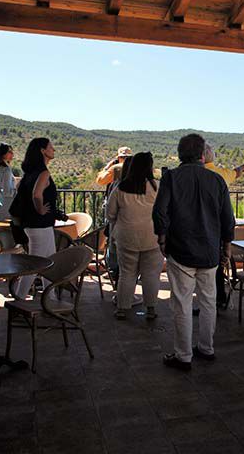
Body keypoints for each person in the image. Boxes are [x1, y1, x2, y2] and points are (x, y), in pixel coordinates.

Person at [153, 134, 235, 371]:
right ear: (202, 155)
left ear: (180, 154)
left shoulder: (172, 178)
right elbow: (227, 218)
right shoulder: (217, 181)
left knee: (182, 303)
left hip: (180, 250)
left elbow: (160, 211)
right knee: (209, 301)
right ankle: (206, 348)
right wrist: (226, 247)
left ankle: (183, 355)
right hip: (210, 251)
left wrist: (162, 238)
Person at [107, 152, 163, 320]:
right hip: (152, 237)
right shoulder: (157, 187)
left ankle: (122, 308)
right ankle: (151, 309)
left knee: (127, 273)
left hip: (126, 238)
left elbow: (110, 214)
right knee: (151, 274)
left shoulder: (120, 187)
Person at [11, 138, 64, 300]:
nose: (53, 149)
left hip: (33, 224)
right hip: (40, 224)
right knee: (35, 264)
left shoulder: (29, 173)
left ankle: (50, 297)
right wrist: (40, 209)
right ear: (43, 150)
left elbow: (20, 191)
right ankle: (19, 298)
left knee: (49, 261)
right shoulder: (43, 172)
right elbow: (36, 194)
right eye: (50, 147)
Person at [201, 142, 244, 311]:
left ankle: (208, 301)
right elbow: (236, 173)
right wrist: (242, 168)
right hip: (217, 228)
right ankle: (218, 299)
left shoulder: (193, 174)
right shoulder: (221, 174)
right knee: (217, 265)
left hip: (198, 227)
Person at [97, 146, 133, 287]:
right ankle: (122, 272)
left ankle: (114, 271)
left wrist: (108, 166)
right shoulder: (134, 172)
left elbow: (100, 181)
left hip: (115, 211)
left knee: (112, 241)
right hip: (129, 213)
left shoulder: (115, 169)